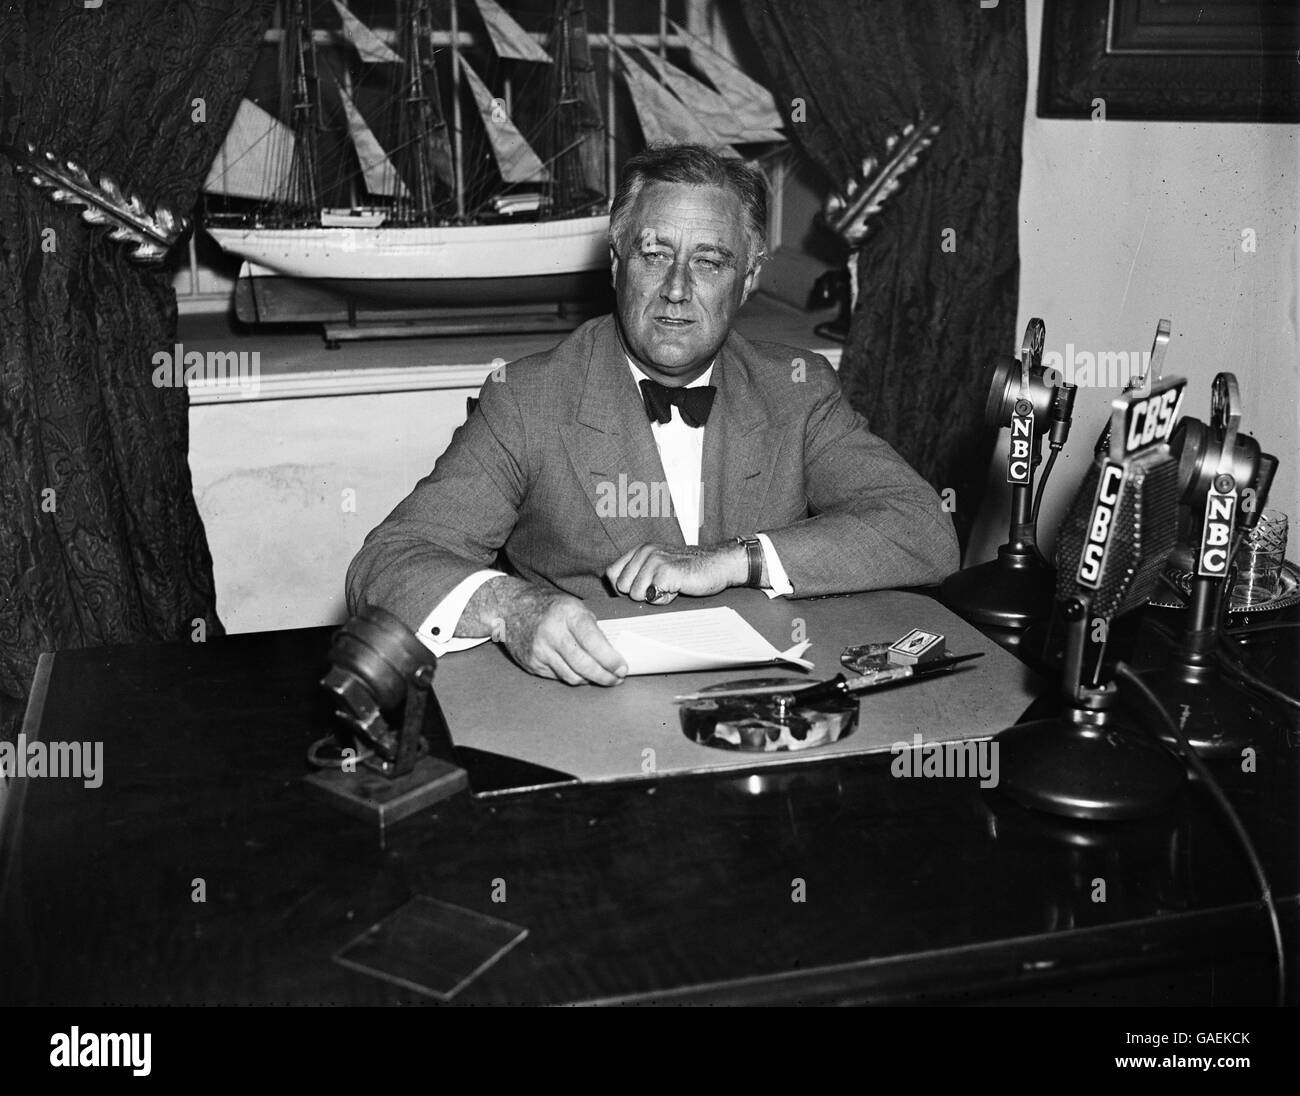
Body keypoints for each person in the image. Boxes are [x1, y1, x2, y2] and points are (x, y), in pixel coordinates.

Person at [347, 143, 959, 686]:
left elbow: (923, 530)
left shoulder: (797, 389)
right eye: (654, 253)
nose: (675, 288)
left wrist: (738, 558)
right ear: (616, 265)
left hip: (762, 701)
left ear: (747, 279)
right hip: (588, 707)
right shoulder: (528, 399)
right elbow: (387, 562)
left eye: (710, 262)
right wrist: (512, 608)